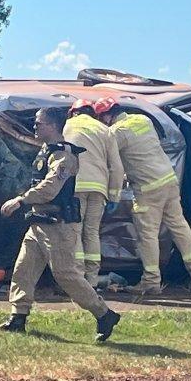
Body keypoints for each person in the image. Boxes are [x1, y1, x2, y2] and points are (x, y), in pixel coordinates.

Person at [0, 107, 121, 341]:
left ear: (53, 126)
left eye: (39, 123)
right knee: (23, 270)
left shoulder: (65, 156)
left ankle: (104, 314)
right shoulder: (47, 151)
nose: (34, 127)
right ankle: (17, 317)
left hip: (59, 226)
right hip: (39, 222)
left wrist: (21, 200)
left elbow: (50, 188)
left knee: (66, 275)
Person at [94, 97, 191, 295]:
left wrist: (114, 195)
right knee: (179, 227)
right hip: (168, 181)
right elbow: (140, 152)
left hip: (148, 189)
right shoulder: (142, 120)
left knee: (147, 235)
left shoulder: (116, 133)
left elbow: (113, 164)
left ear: (105, 116)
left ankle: (151, 282)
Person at [63, 99, 124, 288]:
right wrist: (114, 196)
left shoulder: (67, 126)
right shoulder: (104, 130)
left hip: (75, 186)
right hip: (99, 188)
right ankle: (91, 279)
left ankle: (77, 279)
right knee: (91, 232)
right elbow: (116, 167)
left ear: (73, 112)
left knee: (75, 230)